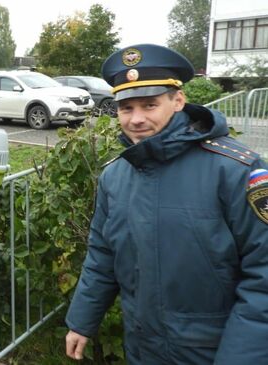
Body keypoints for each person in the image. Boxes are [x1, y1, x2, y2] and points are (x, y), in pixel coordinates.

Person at [64, 44, 268, 364]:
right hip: (143, 348)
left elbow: (263, 279)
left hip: (212, 351)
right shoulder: (115, 176)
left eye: (150, 105)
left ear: (178, 101)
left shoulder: (236, 170)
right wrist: (81, 321)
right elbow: (102, 255)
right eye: (126, 108)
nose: (137, 119)